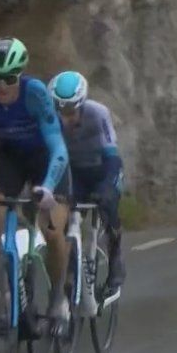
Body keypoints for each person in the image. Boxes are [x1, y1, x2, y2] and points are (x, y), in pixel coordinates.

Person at [0, 38, 72, 323]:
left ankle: (58, 295)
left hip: (45, 159)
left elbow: (58, 146)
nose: (2, 86)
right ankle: (0, 294)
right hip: (10, 159)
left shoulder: (36, 93)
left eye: (10, 78)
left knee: (52, 231)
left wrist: (48, 187)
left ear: (21, 73)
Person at [49, 71, 126, 296]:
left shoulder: (98, 113)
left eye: (71, 112)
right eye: (61, 112)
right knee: (62, 214)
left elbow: (112, 156)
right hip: (73, 172)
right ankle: (69, 268)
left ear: (82, 105)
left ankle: (115, 256)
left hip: (101, 168)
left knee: (109, 203)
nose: (66, 119)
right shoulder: (50, 119)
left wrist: (108, 187)